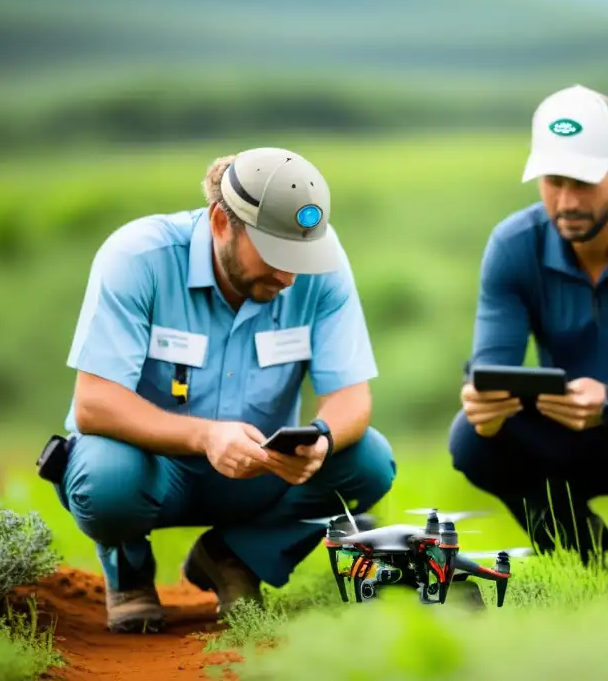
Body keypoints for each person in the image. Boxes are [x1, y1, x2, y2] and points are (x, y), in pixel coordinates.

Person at [53, 147, 396, 633]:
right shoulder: (138, 257)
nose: (289, 276)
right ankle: (128, 569)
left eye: (301, 256)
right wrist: (205, 437)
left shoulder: (322, 267)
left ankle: (235, 557)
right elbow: (94, 404)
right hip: (149, 470)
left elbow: (352, 397)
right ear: (221, 222)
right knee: (104, 478)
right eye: (275, 254)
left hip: (260, 470)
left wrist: (320, 437)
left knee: (367, 462)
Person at [448, 84, 608, 567]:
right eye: (552, 181)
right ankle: (576, 549)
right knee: (470, 438)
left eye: (582, 182)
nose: (565, 201)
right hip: (565, 435)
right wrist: (485, 406)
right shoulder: (514, 244)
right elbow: (492, 367)